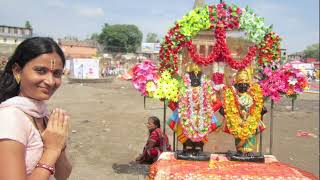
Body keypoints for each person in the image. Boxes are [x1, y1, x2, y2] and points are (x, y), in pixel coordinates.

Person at [0, 37, 72, 180]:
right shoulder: (10, 118)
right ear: (17, 71)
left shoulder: (43, 115)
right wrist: (51, 150)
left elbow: (62, 176)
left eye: (56, 73)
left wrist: (59, 146)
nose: (50, 81)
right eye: (40, 71)